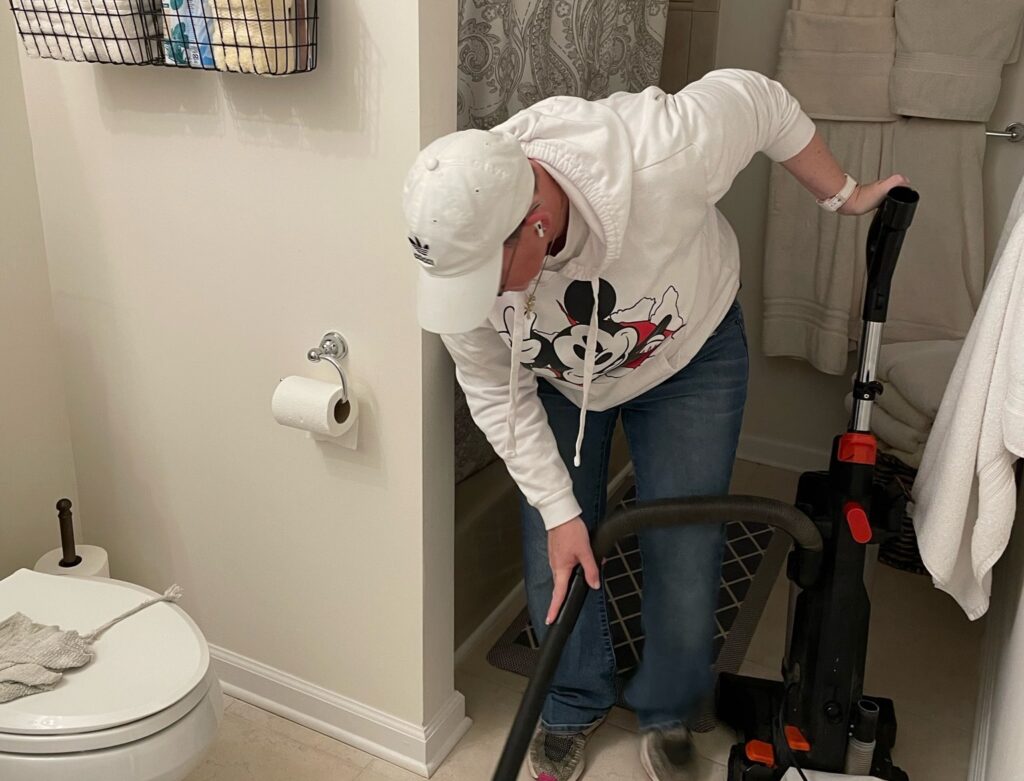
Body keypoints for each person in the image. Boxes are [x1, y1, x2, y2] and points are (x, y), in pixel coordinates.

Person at [402, 68, 908, 781]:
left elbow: (761, 101)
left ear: (536, 224)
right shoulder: (459, 243)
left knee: (684, 548)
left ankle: (669, 709)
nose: (476, 300)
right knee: (554, 552)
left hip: (688, 353)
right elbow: (491, 388)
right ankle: (571, 700)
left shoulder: (661, 152)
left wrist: (846, 196)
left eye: (486, 277)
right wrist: (558, 508)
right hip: (557, 377)